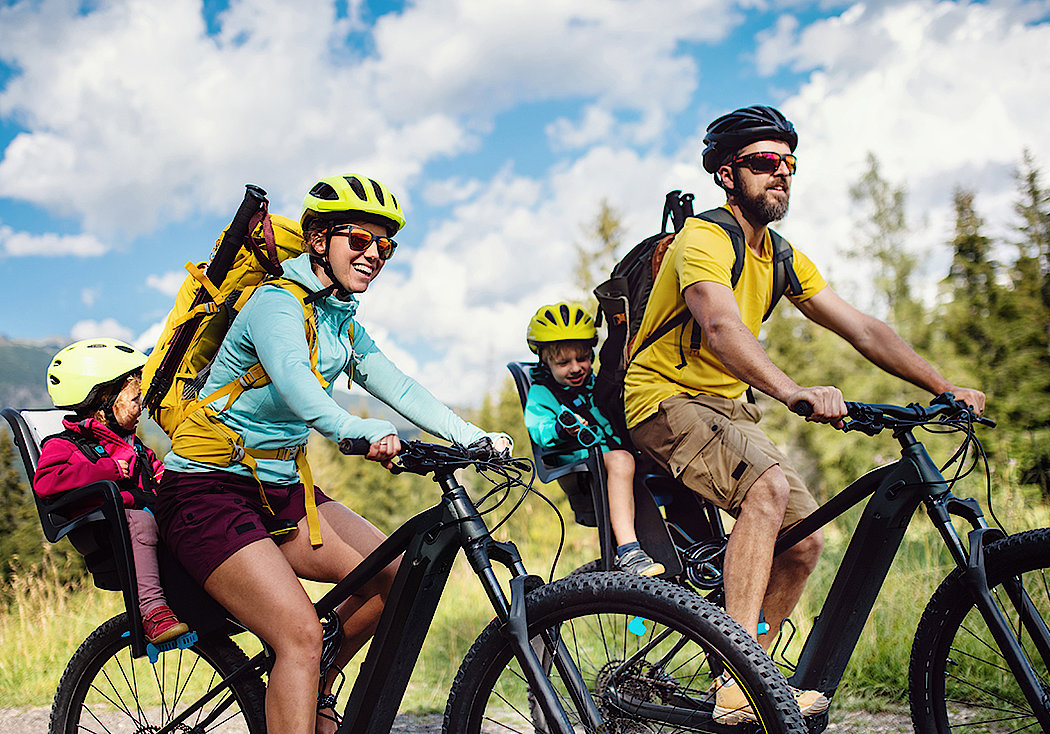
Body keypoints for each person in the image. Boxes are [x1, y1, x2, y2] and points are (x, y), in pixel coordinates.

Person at [623, 105, 986, 723]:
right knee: (766, 489)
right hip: (663, 398)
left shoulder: (782, 255)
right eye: (765, 162)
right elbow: (718, 326)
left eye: (789, 163)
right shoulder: (704, 240)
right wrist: (792, 389)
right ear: (725, 174)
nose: (781, 173)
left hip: (728, 411)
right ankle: (739, 681)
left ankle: (749, 680)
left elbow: (864, 329)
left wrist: (943, 385)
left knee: (804, 541)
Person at [155, 173, 511, 734]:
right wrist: (357, 431)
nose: (374, 255)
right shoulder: (276, 305)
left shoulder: (339, 316)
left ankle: (314, 680)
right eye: (360, 241)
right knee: (298, 632)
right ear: (318, 240)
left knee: (396, 576)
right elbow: (299, 387)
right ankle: (300, 667)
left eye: (385, 246)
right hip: (206, 493)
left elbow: (396, 384)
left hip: (280, 492)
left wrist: (470, 436)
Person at [36, 338, 189, 645]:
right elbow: (46, 482)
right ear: (105, 399)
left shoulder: (133, 445)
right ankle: (152, 610)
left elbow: (157, 475)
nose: (141, 407)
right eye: (135, 399)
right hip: (104, 530)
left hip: (137, 522)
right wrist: (107, 470)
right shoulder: (63, 445)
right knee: (140, 521)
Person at [524, 302, 665, 577]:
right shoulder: (542, 394)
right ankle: (629, 551)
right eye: (563, 362)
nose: (576, 368)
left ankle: (689, 541)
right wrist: (562, 428)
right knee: (622, 459)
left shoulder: (597, 384)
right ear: (545, 361)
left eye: (583, 358)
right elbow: (539, 429)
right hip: (580, 466)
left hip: (611, 458)